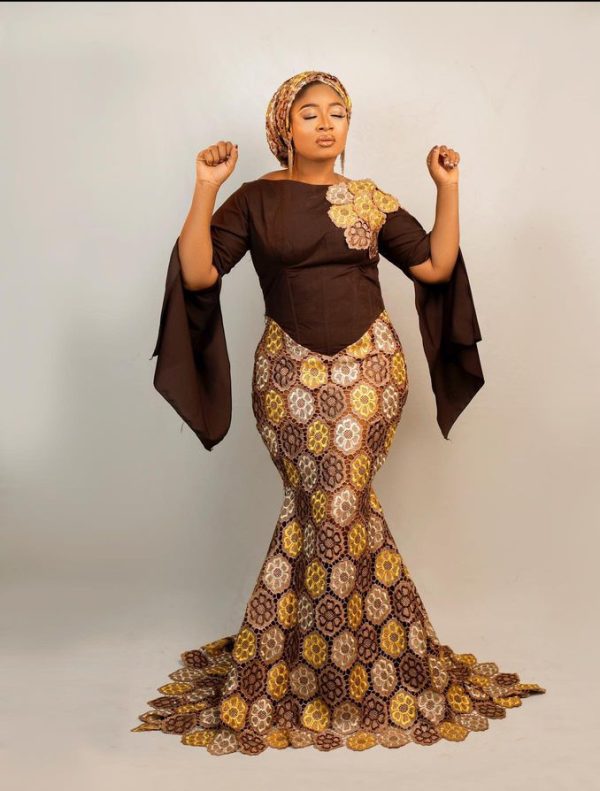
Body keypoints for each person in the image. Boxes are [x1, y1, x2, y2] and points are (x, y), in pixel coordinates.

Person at [131, 71, 545, 755]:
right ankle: (343, 662)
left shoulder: (370, 199)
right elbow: (200, 274)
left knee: (338, 500)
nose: (326, 124)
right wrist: (204, 187)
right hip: (286, 370)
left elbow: (436, 267)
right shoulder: (254, 199)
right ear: (283, 128)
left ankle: (318, 664)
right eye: (311, 114)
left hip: (371, 369)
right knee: (317, 504)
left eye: (338, 113)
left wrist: (448, 188)